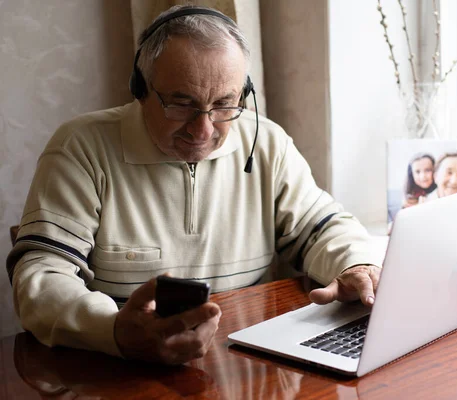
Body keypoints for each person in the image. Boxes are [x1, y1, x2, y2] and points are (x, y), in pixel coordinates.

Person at [6, 6, 381, 365]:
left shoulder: (266, 143)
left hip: (247, 364)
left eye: (223, 104)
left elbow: (324, 227)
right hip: (122, 370)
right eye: (181, 104)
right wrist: (115, 330)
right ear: (141, 87)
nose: (203, 130)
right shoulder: (82, 148)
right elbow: (41, 277)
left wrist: (357, 265)